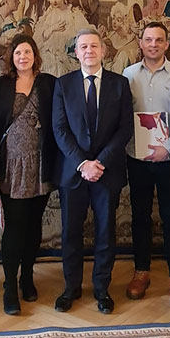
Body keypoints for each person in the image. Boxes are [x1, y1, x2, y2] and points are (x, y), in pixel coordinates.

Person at [51, 28, 133, 314]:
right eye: (83, 46)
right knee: (71, 234)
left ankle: (101, 289)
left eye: (94, 46)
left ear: (103, 50)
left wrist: (100, 163)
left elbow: (125, 129)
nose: (89, 51)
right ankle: (71, 288)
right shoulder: (63, 85)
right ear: (76, 53)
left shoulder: (120, 84)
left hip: (106, 172)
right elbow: (60, 129)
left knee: (105, 232)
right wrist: (82, 163)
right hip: (73, 173)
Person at [0, 34, 57, 315]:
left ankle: (27, 277)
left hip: (40, 166)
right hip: (10, 167)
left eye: (27, 52)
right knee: (14, 227)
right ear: (11, 58)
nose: (23, 57)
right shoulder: (1, 85)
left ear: (35, 55)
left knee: (34, 226)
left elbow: (58, 123)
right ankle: (10, 286)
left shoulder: (49, 83)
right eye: (18, 53)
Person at [122, 22, 170, 307]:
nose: (153, 44)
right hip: (136, 157)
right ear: (140, 43)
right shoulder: (127, 75)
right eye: (148, 40)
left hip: (168, 158)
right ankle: (142, 271)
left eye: (159, 40)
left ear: (166, 44)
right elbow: (121, 115)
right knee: (140, 216)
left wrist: (169, 148)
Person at [32, 0, 93, 77]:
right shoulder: (47, 16)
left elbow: (84, 34)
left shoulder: (73, 13)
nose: (55, 1)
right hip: (49, 54)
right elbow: (40, 38)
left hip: (67, 55)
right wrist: (52, 28)